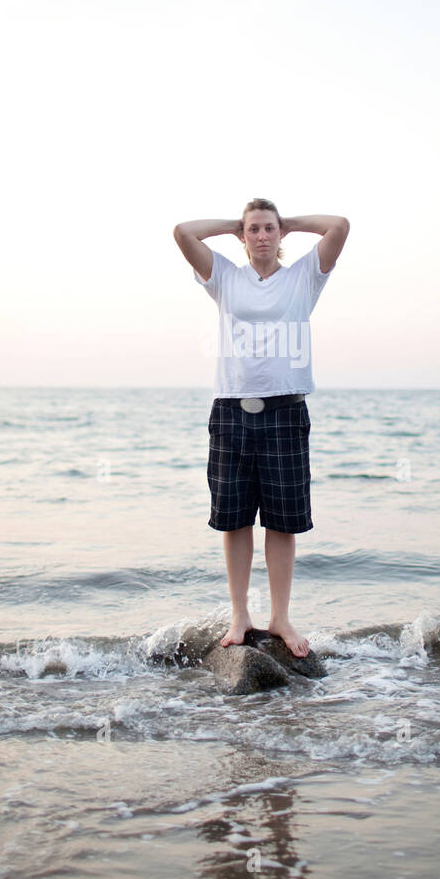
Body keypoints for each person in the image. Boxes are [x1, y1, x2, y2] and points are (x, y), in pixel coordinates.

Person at [173, 200, 350, 657]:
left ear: (280, 234)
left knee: (282, 521)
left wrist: (291, 223)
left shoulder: (304, 277)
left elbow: (339, 225)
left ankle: (280, 619)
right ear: (244, 235)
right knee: (234, 521)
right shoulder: (227, 277)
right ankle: (239, 615)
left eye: (269, 229)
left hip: (286, 411)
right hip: (232, 410)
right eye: (254, 229)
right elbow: (183, 232)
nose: (262, 236)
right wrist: (232, 226)